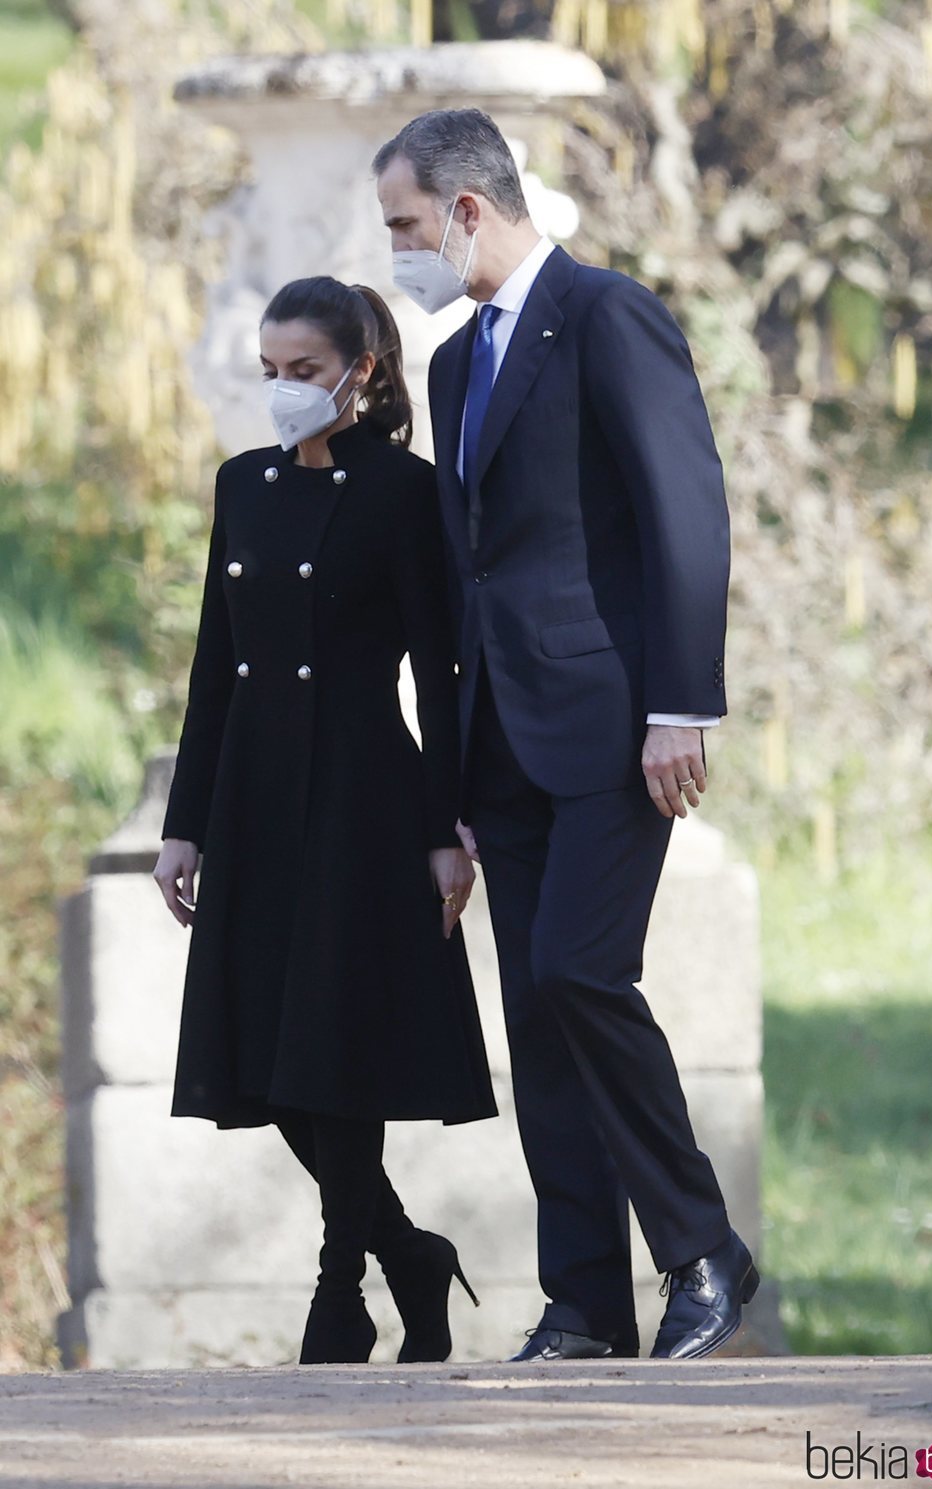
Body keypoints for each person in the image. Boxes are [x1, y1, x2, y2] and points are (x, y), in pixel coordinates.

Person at [371, 109, 760, 1362]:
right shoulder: (447, 365)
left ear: (468, 211)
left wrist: (679, 704)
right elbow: (464, 569)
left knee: (583, 975)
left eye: (405, 228)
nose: (400, 254)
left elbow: (684, 513)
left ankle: (700, 1249)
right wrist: (448, 778)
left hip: (613, 730)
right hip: (499, 741)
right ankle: (582, 1300)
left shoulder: (606, 317)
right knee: (538, 1012)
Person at [153, 275, 498, 1366]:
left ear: (362, 370)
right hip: (251, 797)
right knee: (266, 1047)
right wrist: (183, 824)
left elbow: (441, 676)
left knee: (332, 1042)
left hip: (361, 794)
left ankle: (340, 1284)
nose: (284, 391)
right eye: (270, 372)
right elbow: (216, 667)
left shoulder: (405, 492)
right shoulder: (240, 484)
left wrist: (447, 823)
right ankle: (408, 1253)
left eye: (303, 371)